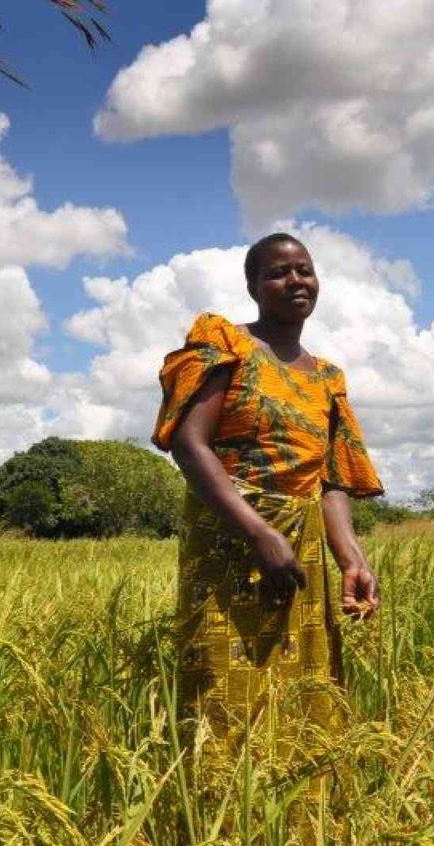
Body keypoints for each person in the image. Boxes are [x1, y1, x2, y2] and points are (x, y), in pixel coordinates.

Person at [152, 232, 384, 742]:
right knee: (219, 691)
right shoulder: (225, 345)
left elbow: (332, 479)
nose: (295, 280)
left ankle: (303, 816)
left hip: (300, 552)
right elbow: (191, 446)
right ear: (254, 287)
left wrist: (351, 559)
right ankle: (216, 813)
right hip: (231, 542)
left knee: (306, 691)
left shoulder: (327, 377)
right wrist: (259, 535)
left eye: (304, 269)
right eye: (278, 272)